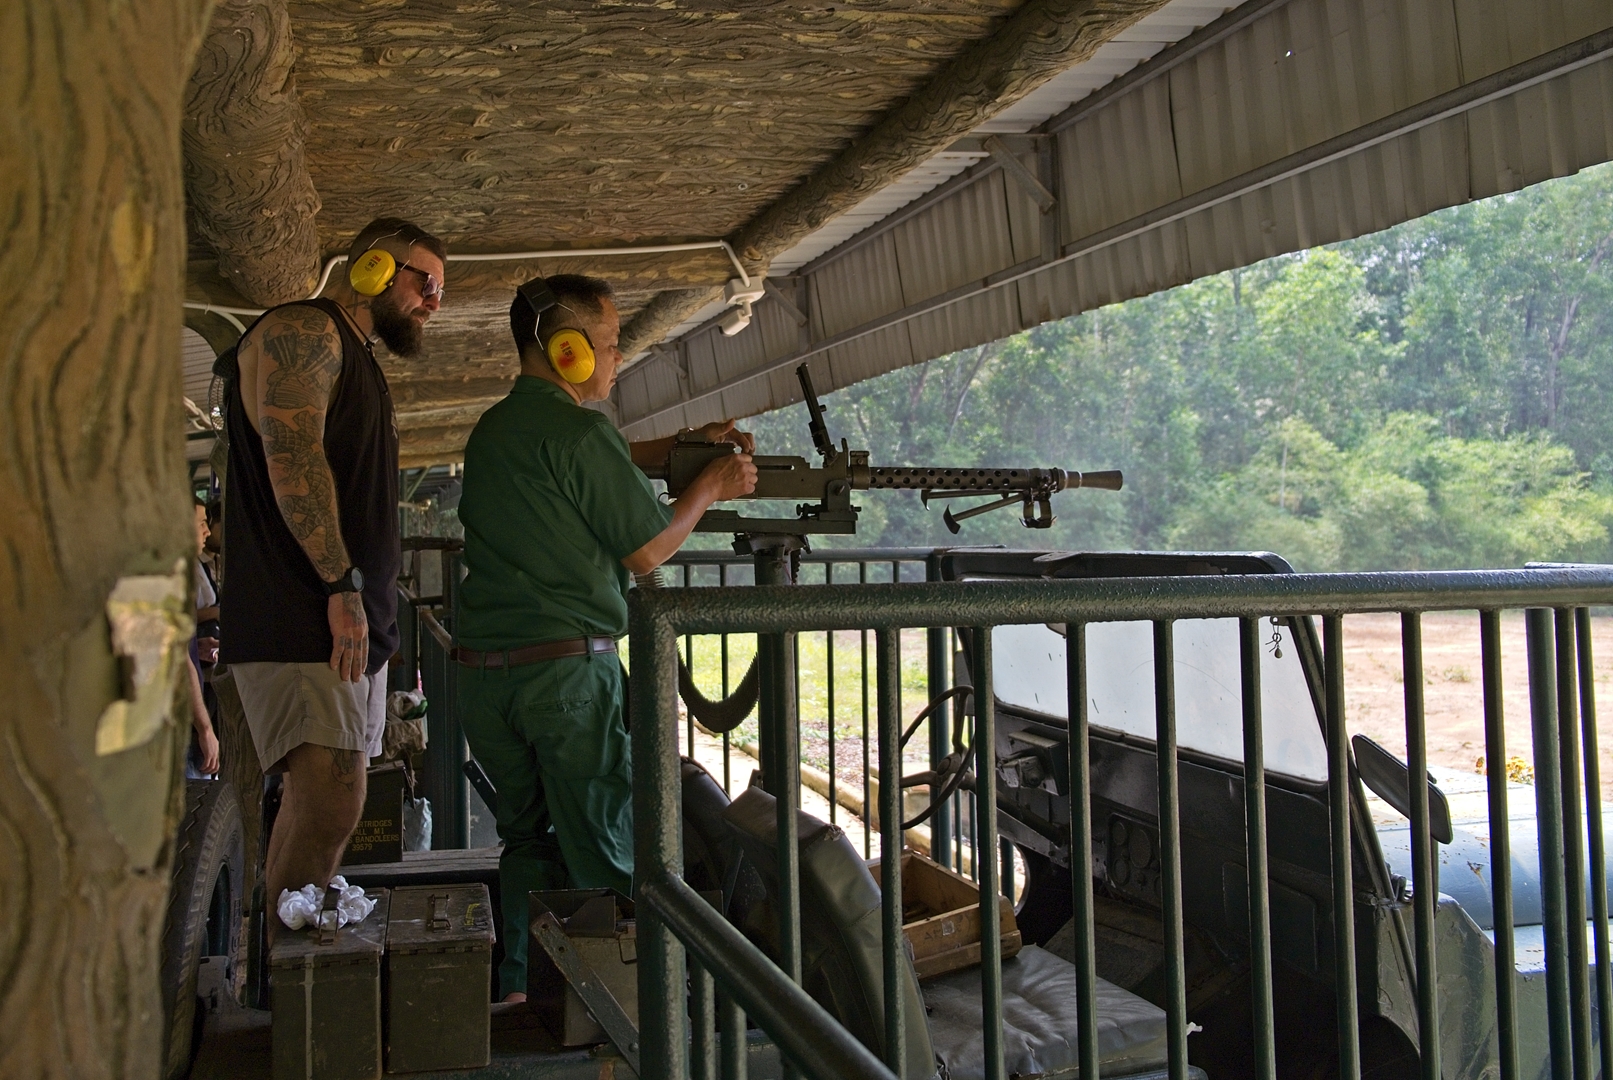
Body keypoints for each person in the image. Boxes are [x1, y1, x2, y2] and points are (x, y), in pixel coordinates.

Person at [455, 274, 757, 1000]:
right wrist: (710, 486)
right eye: (611, 343)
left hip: (483, 680)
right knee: (603, 848)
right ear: (567, 351)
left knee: (526, 841)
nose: (617, 359)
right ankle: (618, 1014)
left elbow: (593, 463)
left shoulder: (496, 427)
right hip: (563, 683)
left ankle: (526, 991)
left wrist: (683, 448)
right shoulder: (581, 430)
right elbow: (648, 548)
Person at [219, 217, 446, 939]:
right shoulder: (305, 331)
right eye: (425, 282)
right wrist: (341, 587)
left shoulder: (352, 353)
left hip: (344, 619)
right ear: (375, 267)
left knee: (331, 801)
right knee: (332, 800)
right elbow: (293, 461)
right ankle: (294, 985)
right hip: (308, 611)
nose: (433, 302)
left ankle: (289, 965)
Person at [187, 495, 221, 779]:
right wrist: (205, 728)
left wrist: (194, 646)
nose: (207, 531)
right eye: (201, 523)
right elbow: (176, 661)